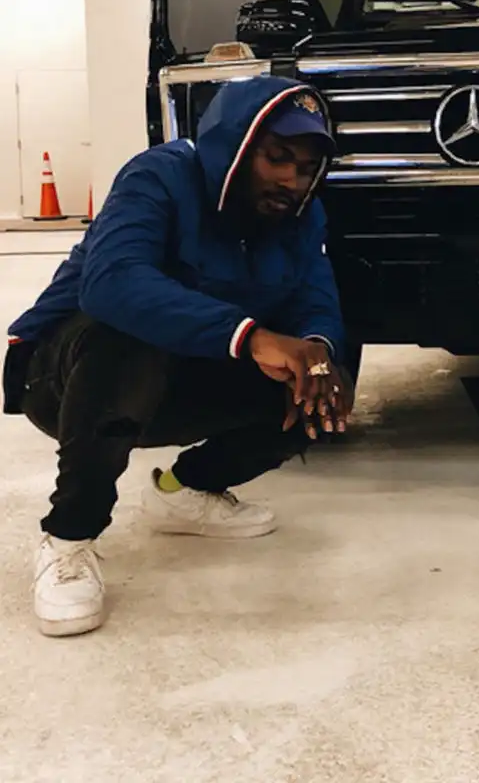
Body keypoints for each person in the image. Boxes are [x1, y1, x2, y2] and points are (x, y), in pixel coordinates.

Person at [2, 75, 354, 638]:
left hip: (178, 373)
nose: (292, 179)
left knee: (321, 378)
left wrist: (317, 349)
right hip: (63, 377)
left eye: (307, 167)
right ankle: (67, 538)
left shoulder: (300, 215)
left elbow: (317, 299)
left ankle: (184, 491)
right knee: (128, 334)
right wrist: (250, 337)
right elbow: (113, 284)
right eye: (277, 158)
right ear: (237, 144)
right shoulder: (159, 176)